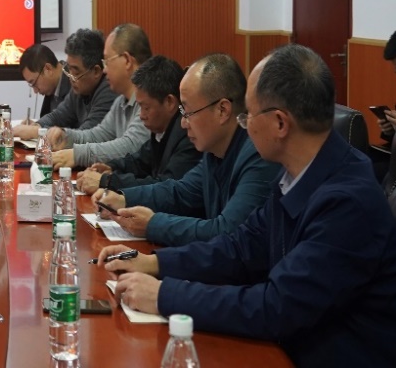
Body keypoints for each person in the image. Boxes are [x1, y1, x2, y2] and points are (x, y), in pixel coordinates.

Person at [101, 44, 396, 368]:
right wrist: (155, 263)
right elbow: (241, 248)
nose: (243, 125)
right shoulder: (298, 174)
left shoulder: (347, 202)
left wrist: (164, 296)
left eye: (248, 114)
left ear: (279, 123)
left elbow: (277, 307)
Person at [93, 53, 278, 245]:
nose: (183, 123)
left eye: (189, 112)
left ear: (222, 110)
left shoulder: (258, 155)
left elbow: (227, 233)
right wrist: (123, 199)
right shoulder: (213, 152)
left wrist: (152, 225)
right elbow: (180, 192)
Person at [77, 55, 199, 193]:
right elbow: (139, 162)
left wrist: (108, 182)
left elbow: (165, 188)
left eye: (146, 108)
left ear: (169, 102)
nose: (141, 115)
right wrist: (111, 167)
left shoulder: (188, 136)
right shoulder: (161, 130)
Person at [48, 24, 149, 169]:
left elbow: (131, 146)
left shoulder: (150, 99)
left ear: (127, 60)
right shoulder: (121, 101)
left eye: (107, 61)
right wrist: (66, 137)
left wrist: (78, 155)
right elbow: (99, 135)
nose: (104, 70)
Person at [12, 40, 114, 136]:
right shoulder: (77, 85)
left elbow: (88, 136)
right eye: (69, 69)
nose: (70, 77)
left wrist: (37, 132)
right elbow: (59, 115)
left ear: (96, 71)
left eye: (76, 72)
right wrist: (37, 125)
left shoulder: (108, 89)